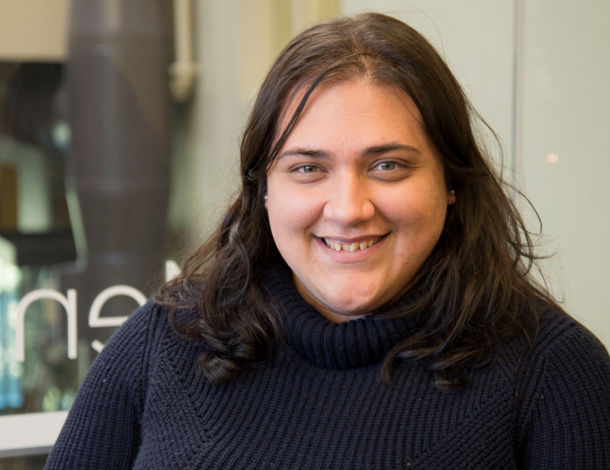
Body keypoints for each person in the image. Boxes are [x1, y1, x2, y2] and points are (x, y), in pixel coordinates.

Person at [45, 12, 609, 469]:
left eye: (388, 165)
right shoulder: (163, 342)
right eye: (308, 169)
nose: (348, 209)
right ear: (263, 190)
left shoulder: (554, 371)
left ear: (451, 182)